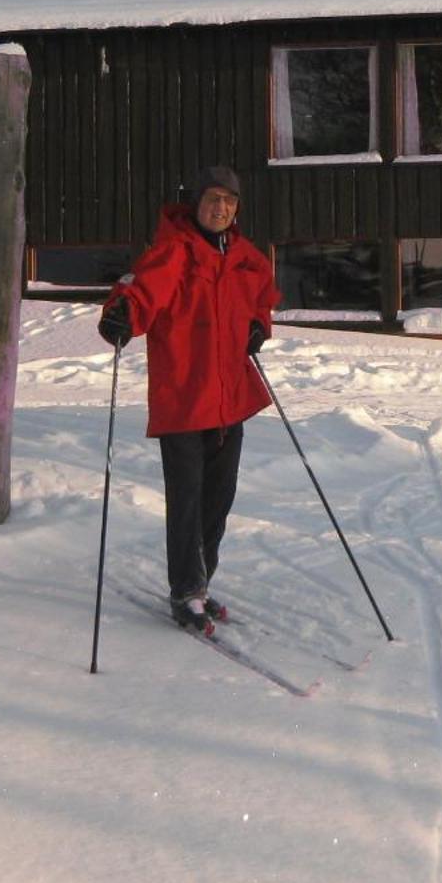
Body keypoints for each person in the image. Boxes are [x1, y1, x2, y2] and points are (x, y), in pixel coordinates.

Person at [99, 166, 278, 636]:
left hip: (229, 398)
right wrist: (121, 314)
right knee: (188, 501)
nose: (220, 208)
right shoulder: (174, 251)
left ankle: (201, 582)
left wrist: (259, 324)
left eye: (229, 201)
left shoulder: (243, 257)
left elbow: (262, 297)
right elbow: (140, 293)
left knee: (218, 500)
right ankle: (185, 591)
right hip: (183, 395)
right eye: (212, 199)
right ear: (195, 202)